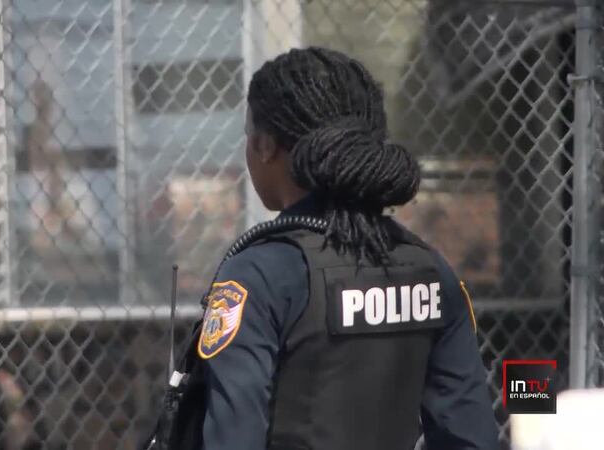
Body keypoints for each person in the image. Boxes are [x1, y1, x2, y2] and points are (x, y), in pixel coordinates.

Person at [145, 46, 498, 450]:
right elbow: (471, 437)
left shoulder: (259, 273)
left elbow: (234, 437)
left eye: (247, 135)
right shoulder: (431, 269)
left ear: (264, 145)